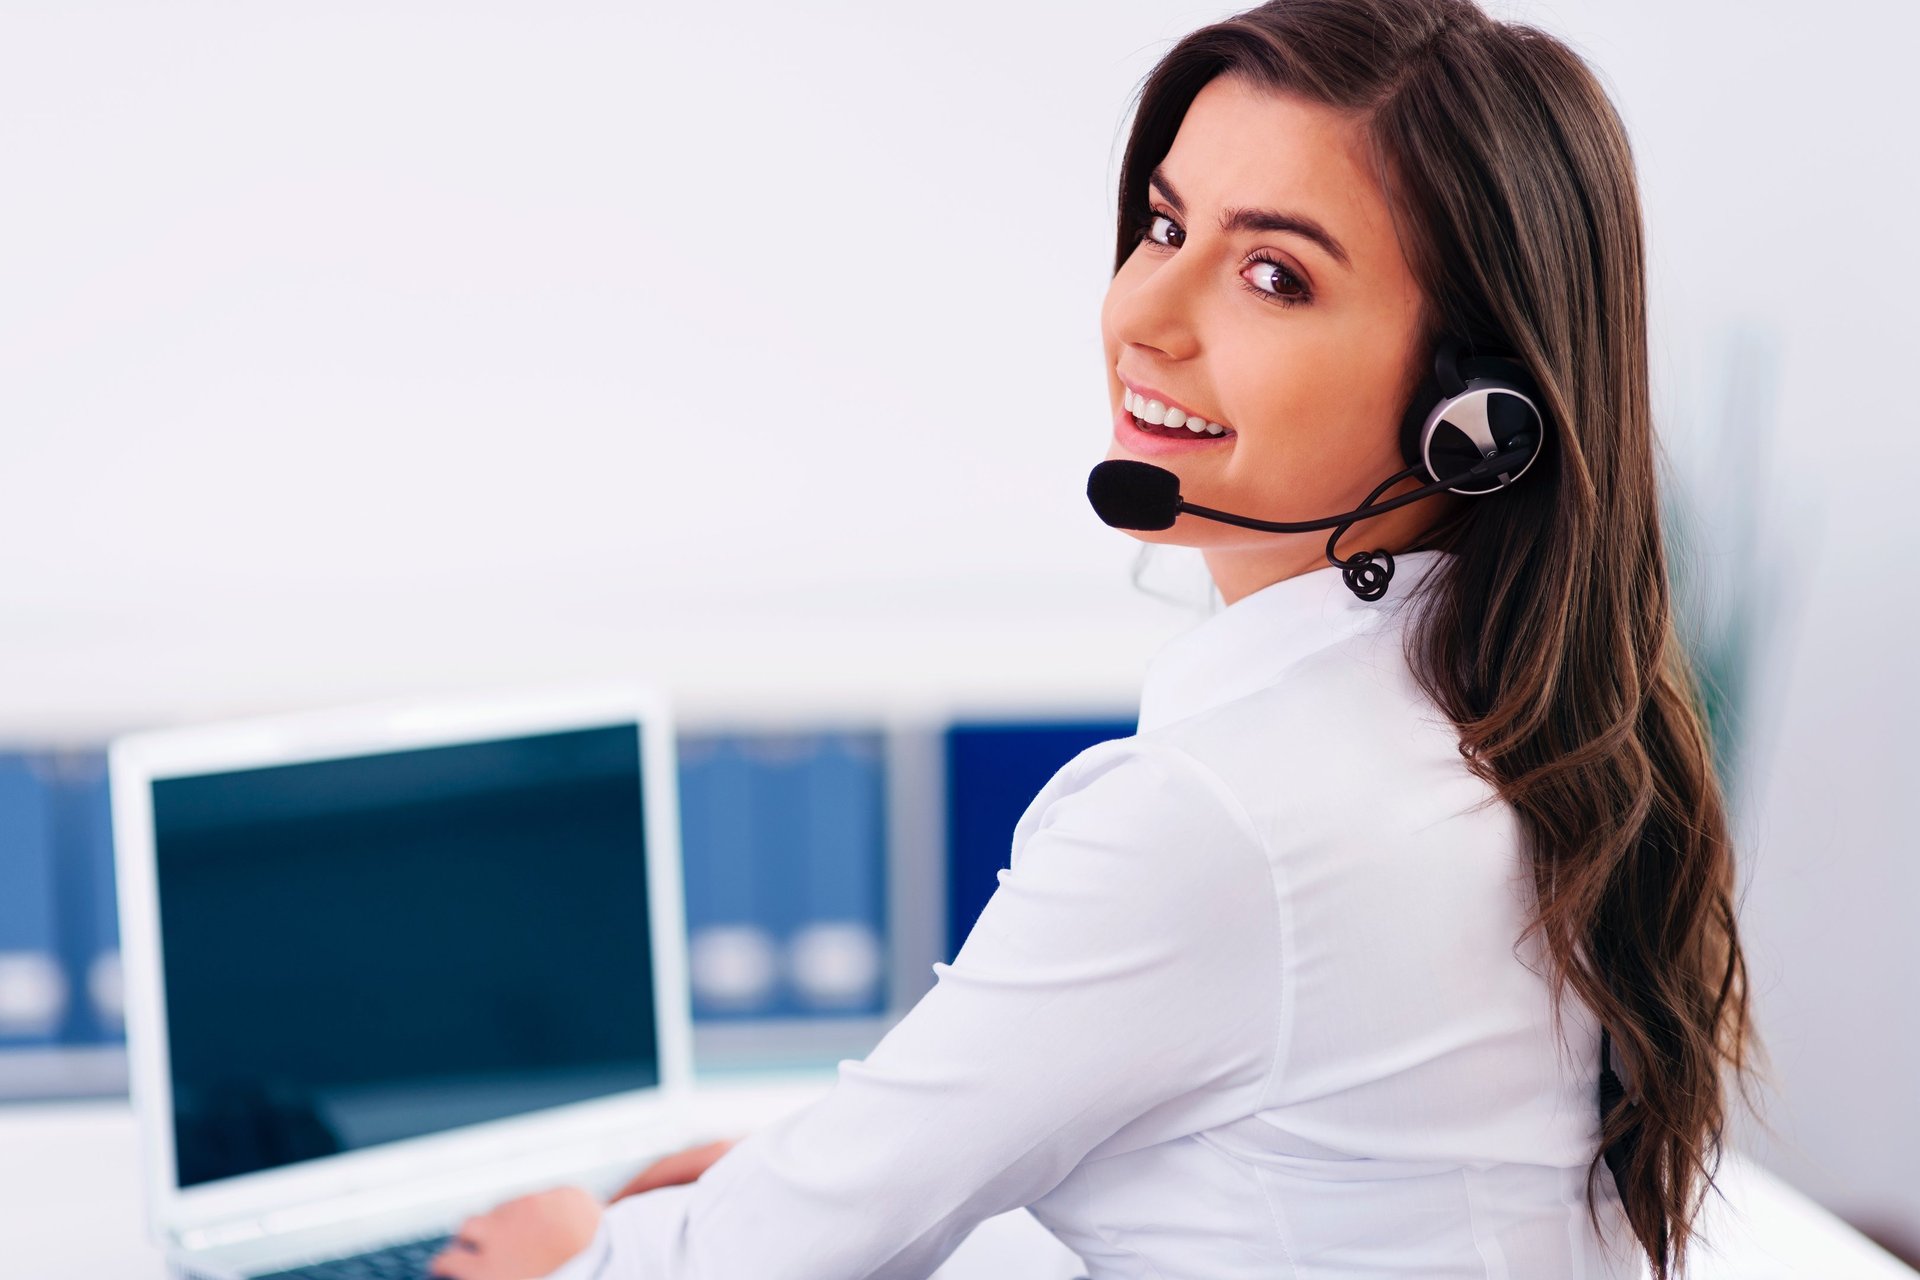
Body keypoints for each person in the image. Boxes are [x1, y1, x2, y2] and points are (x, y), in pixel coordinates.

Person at [428, 1, 1755, 1276]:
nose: (1143, 316)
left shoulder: (1219, 821)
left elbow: (757, 1264)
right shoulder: (1518, 727)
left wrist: (583, 1252)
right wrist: (812, 1167)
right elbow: (1246, 1199)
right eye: (1164, 226)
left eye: (1272, 274)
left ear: (1474, 411)